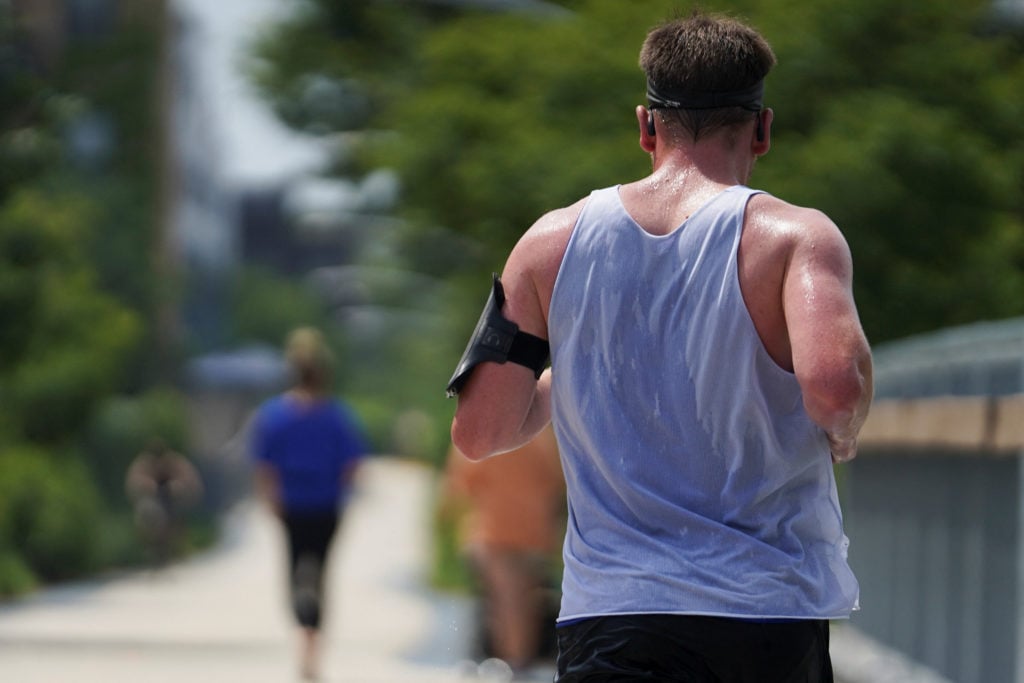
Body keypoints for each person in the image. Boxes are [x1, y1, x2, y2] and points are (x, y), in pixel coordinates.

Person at [447, 11, 873, 682]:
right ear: (762, 129)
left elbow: (481, 427)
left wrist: (580, 368)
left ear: (646, 124)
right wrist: (845, 428)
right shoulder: (796, 238)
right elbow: (834, 389)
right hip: (764, 612)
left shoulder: (548, 244)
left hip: (613, 616)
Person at [250, 327, 367, 681]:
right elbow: (353, 464)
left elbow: (264, 465)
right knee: (320, 569)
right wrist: (340, 490)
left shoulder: (273, 415)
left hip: (292, 506)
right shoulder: (336, 415)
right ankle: (312, 646)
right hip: (326, 505)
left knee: (295, 564)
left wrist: (271, 499)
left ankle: (303, 627)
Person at [442, 425, 565, 676]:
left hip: (494, 530)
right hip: (535, 531)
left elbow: (461, 482)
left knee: (502, 603)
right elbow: (558, 481)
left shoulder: (486, 429)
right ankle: (520, 661)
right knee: (527, 603)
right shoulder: (543, 434)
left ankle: (511, 661)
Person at [125, 437, 204, 568]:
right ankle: (152, 549)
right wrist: (150, 486)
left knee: (175, 522)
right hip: (152, 504)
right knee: (148, 517)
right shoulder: (143, 464)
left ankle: (176, 546)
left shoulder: (175, 463)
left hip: (175, 501)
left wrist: (175, 487)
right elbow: (133, 483)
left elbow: (191, 481)